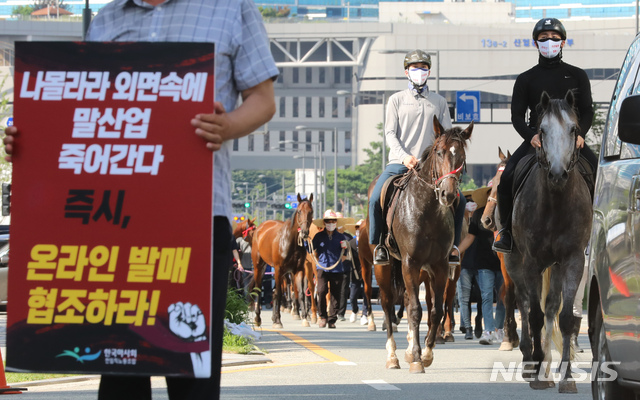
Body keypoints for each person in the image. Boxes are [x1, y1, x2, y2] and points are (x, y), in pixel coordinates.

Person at [3, 1, 278, 399]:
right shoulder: (108, 19)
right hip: (113, 220)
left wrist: (228, 125)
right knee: (117, 374)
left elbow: (263, 99)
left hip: (195, 215)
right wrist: (32, 141)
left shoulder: (232, 9)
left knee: (192, 378)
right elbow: (81, 109)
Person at [493, 17, 596, 254]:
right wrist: (531, 136)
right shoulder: (526, 79)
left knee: (598, 175)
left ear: (563, 42)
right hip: (537, 142)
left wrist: (581, 135)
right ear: (535, 43)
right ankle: (506, 232)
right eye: (543, 39)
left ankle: (594, 229)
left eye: (554, 38)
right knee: (507, 177)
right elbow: (517, 116)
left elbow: (588, 110)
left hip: (573, 142)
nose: (549, 42)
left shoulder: (578, 75)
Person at [368, 49, 466, 265]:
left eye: (423, 68)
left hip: (432, 167)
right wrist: (404, 157)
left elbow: (447, 136)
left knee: (461, 201)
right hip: (400, 163)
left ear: (429, 71)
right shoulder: (395, 100)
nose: (419, 71)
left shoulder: (439, 102)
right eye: (415, 68)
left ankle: (454, 247)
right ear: (406, 72)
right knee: (376, 198)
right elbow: (390, 133)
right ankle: (380, 246)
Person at [457, 187, 505, 345]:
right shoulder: (478, 214)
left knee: (502, 298)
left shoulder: (507, 212)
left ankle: (499, 329)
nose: (494, 196)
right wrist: (456, 251)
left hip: (504, 262)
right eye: (491, 193)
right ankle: (488, 330)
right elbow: (470, 237)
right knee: (486, 297)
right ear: (487, 196)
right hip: (484, 263)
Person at [312, 210, 349, 329]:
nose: (331, 223)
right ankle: (322, 317)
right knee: (321, 291)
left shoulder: (341, 236)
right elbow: (311, 250)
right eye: (328, 221)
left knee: (335, 295)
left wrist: (345, 247)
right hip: (322, 268)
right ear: (324, 222)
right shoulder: (318, 236)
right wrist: (305, 242)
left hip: (337, 269)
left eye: (333, 221)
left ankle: (332, 319)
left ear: (336, 223)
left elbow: (345, 254)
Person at [347, 219, 369, 325]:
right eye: (357, 228)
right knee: (352, 296)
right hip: (355, 273)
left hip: (366, 273)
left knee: (366, 294)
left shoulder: (368, 243)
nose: (358, 230)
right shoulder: (350, 243)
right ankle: (354, 310)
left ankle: (365, 314)